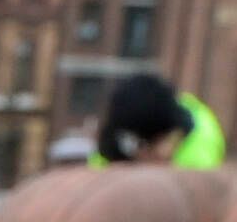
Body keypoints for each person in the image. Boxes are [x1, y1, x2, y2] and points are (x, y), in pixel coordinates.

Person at [92, 72, 226, 169]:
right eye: (137, 147)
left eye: (151, 149)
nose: (145, 157)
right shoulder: (118, 136)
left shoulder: (199, 154)